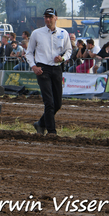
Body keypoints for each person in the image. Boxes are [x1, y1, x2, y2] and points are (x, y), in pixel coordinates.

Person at [25, 7, 72, 136]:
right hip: (42, 69)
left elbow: (69, 50)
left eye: (50, 17)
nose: (48, 19)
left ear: (56, 18)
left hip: (57, 68)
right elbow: (28, 53)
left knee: (58, 103)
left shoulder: (64, 33)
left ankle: (40, 123)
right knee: (49, 102)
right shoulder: (37, 33)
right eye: (46, 17)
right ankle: (51, 131)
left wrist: (62, 58)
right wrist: (33, 66)